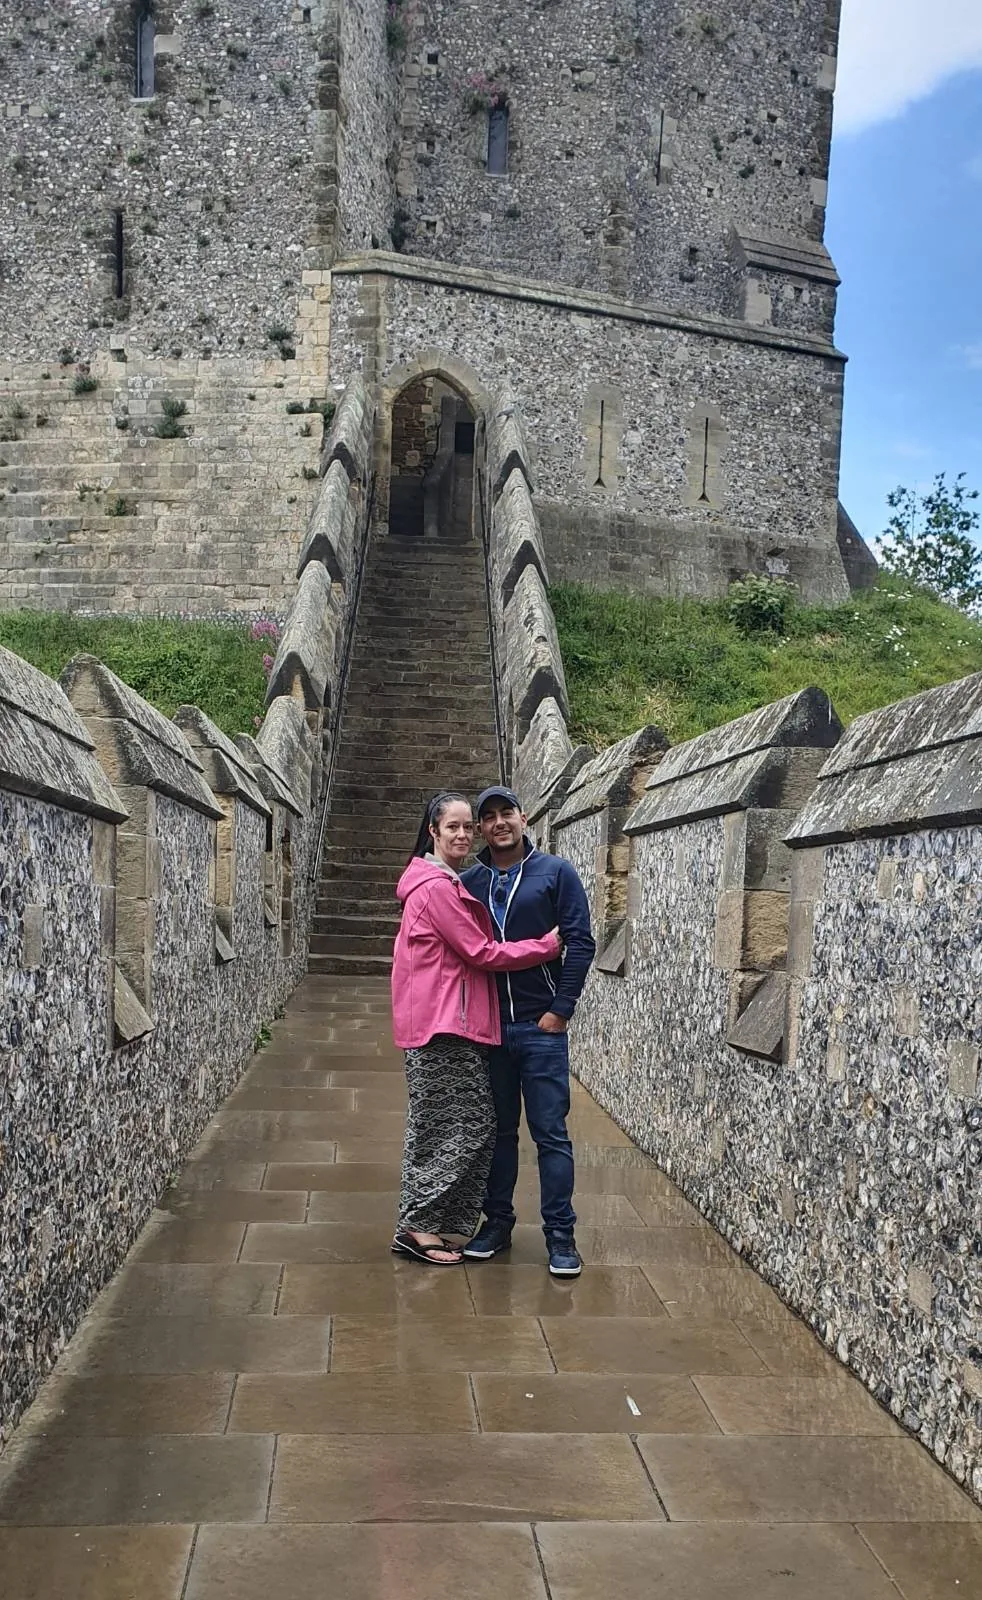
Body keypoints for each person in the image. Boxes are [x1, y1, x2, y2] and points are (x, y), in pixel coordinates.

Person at [390, 791, 563, 1266]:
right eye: (454, 826)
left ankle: (426, 1223)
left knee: (451, 1123)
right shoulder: (435, 888)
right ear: (433, 831)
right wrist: (546, 947)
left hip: (447, 1021)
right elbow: (480, 951)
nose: (464, 834)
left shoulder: (443, 881)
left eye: (469, 826)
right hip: (442, 1025)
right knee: (458, 1125)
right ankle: (418, 1227)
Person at [461, 785, 596, 1277]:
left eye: (507, 813)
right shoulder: (469, 882)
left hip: (541, 1028)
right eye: (489, 817)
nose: (499, 822)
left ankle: (560, 1236)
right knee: (498, 1132)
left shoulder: (556, 873)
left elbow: (580, 941)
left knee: (550, 1134)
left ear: (523, 819)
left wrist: (561, 1010)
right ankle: (497, 1223)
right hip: (490, 1028)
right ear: (481, 828)